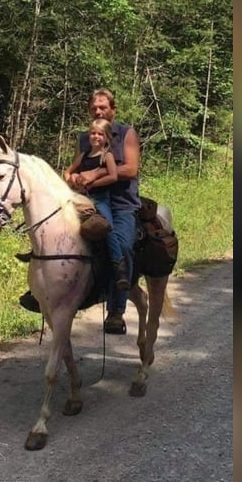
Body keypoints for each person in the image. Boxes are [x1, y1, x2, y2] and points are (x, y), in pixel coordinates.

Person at [69, 89, 141, 334]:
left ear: (113, 110)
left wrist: (95, 174)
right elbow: (77, 165)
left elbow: (130, 169)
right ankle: (47, 291)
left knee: (122, 243)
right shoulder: (85, 138)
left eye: (103, 107)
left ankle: (116, 311)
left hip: (121, 203)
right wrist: (75, 178)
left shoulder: (126, 134)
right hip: (88, 201)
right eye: (94, 108)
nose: (98, 111)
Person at [63, 118, 130, 291]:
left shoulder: (106, 156)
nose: (96, 136)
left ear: (106, 137)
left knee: (107, 228)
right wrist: (72, 179)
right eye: (93, 133)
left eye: (100, 134)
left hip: (99, 198)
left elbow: (113, 176)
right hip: (80, 198)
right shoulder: (84, 154)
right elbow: (68, 171)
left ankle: (118, 266)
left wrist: (92, 184)